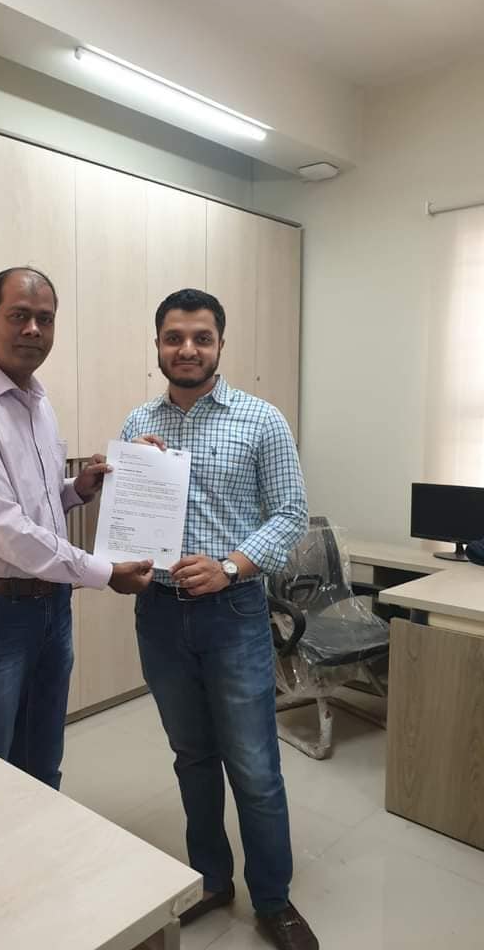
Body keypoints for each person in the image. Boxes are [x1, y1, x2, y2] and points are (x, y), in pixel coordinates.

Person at [121, 289, 317, 950]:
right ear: (158, 345)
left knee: (254, 766)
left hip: (233, 612)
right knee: (192, 757)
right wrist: (126, 482)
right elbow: (129, 522)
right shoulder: (138, 422)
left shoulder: (261, 420)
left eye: (200, 338)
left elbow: (290, 514)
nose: (187, 349)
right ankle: (211, 878)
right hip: (159, 615)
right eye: (174, 337)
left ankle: (273, 898)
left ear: (220, 345)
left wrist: (231, 566)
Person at [0, 267, 152, 789]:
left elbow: (33, 502)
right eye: (19, 316)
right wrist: (104, 572)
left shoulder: (38, 402)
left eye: (44, 319)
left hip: (49, 606)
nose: (32, 330)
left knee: (42, 767)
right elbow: (3, 528)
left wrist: (77, 489)